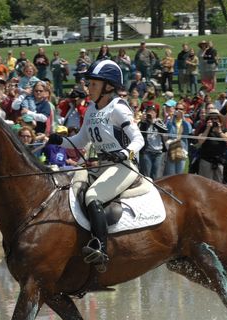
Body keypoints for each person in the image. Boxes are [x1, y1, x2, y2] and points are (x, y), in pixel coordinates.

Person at [50, 59, 145, 271]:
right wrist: (58, 141)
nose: (88, 88)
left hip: (124, 166)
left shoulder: (118, 108)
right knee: (72, 190)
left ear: (108, 86)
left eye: (93, 84)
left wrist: (124, 153)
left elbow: (139, 140)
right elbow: (80, 142)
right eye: (88, 83)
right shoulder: (92, 110)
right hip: (100, 165)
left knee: (93, 196)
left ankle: (100, 250)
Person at [195, 107, 227, 182]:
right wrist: (207, 129)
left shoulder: (223, 129)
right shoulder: (203, 128)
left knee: (218, 182)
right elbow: (200, 141)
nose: (214, 120)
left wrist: (219, 132)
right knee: (205, 182)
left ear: (219, 119)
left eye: (216, 118)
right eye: (212, 118)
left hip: (219, 159)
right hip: (206, 159)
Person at [138, 105, 168, 180]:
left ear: (156, 114)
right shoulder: (143, 123)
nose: (151, 115)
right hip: (146, 152)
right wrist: (142, 122)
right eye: (149, 113)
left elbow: (165, 130)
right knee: (146, 176)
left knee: (156, 176)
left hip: (159, 153)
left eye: (153, 113)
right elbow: (139, 133)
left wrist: (154, 122)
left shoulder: (159, 121)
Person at [164, 101, 193, 176]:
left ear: (184, 111)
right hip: (171, 147)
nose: (178, 110)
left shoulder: (186, 121)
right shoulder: (170, 121)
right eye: (177, 108)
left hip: (182, 148)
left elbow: (188, 131)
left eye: (181, 109)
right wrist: (171, 119)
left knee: (180, 174)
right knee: (170, 174)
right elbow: (167, 131)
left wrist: (183, 118)